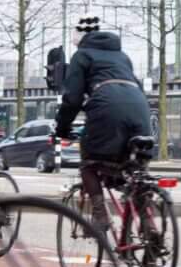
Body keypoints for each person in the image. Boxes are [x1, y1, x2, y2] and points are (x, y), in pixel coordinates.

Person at [56, 22, 156, 202]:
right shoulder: (123, 57)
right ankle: (147, 223)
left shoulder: (81, 55)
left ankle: (99, 219)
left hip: (107, 108)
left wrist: (61, 128)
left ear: (79, 40)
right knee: (136, 172)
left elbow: (72, 99)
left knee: (89, 164)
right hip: (140, 108)